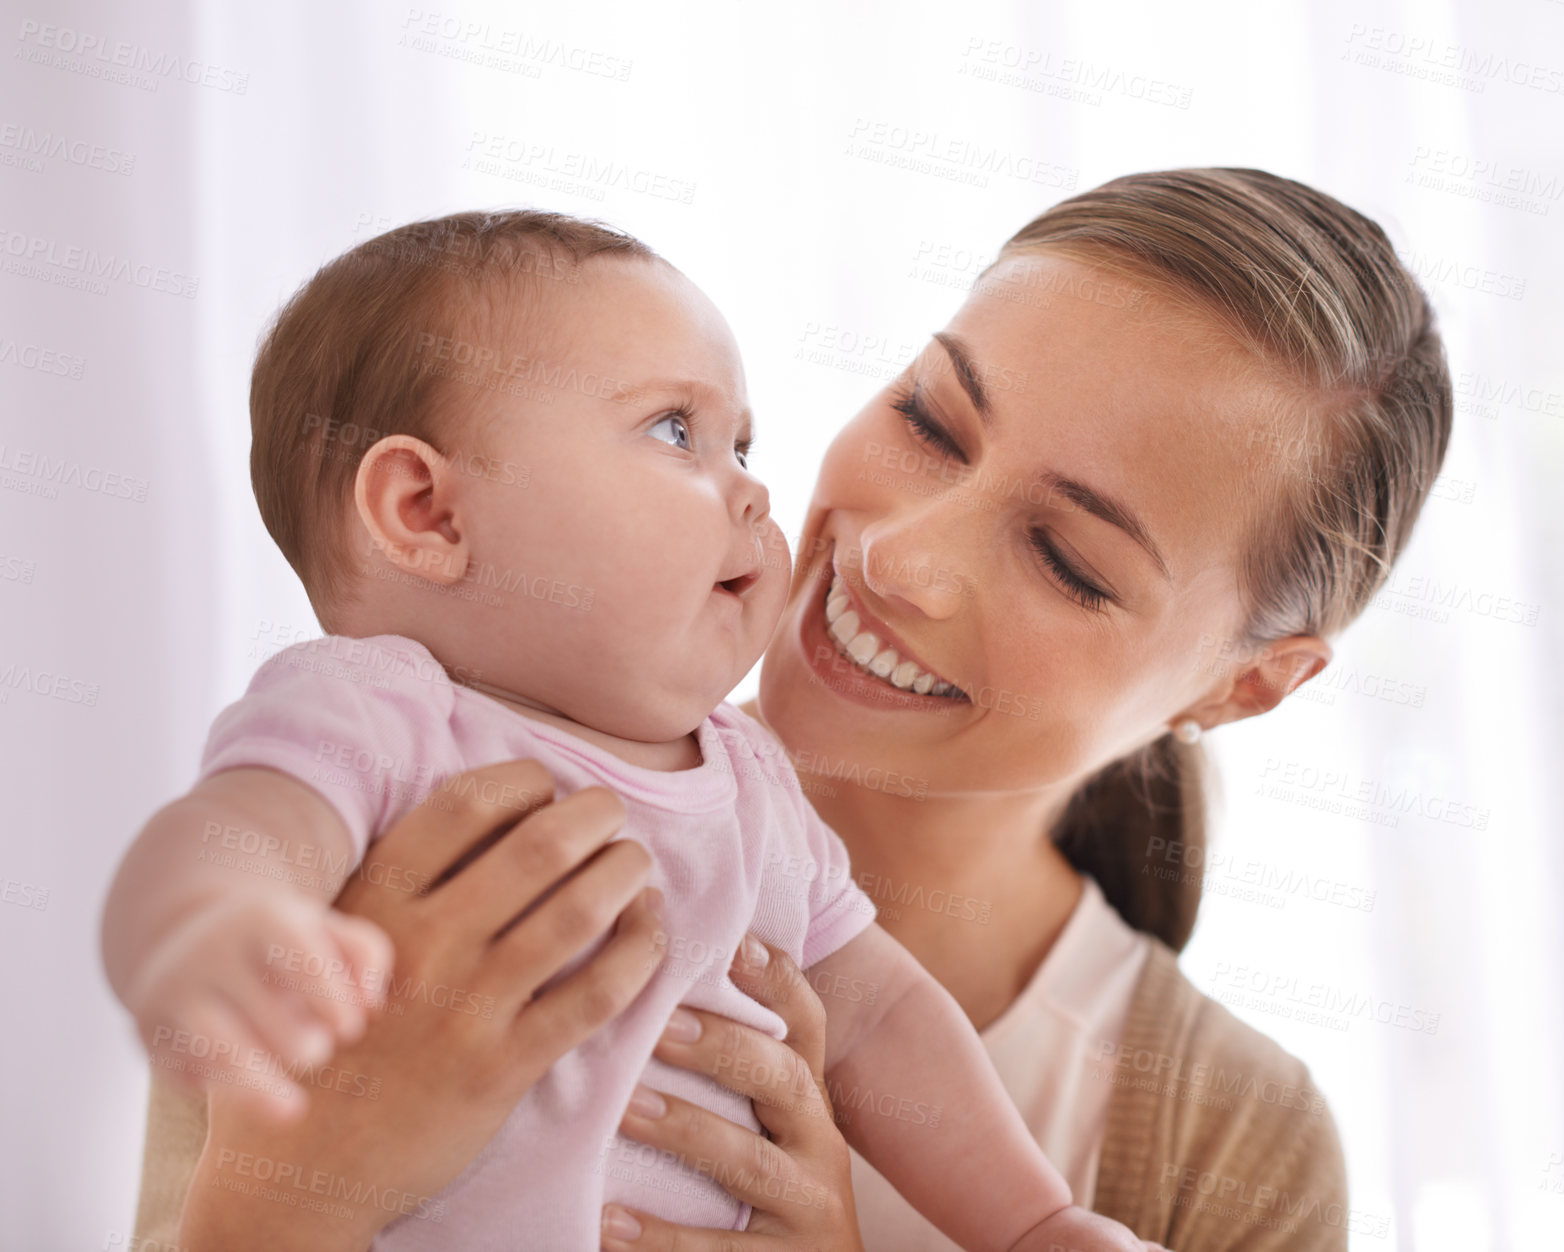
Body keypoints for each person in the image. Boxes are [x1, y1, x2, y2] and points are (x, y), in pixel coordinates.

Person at [127, 168, 1450, 1251]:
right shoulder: (397, 861)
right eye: (932, 419)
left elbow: (874, 1009)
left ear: (1246, 682)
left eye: (1070, 560)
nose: (900, 559)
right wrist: (299, 1182)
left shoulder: (1228, 1148)